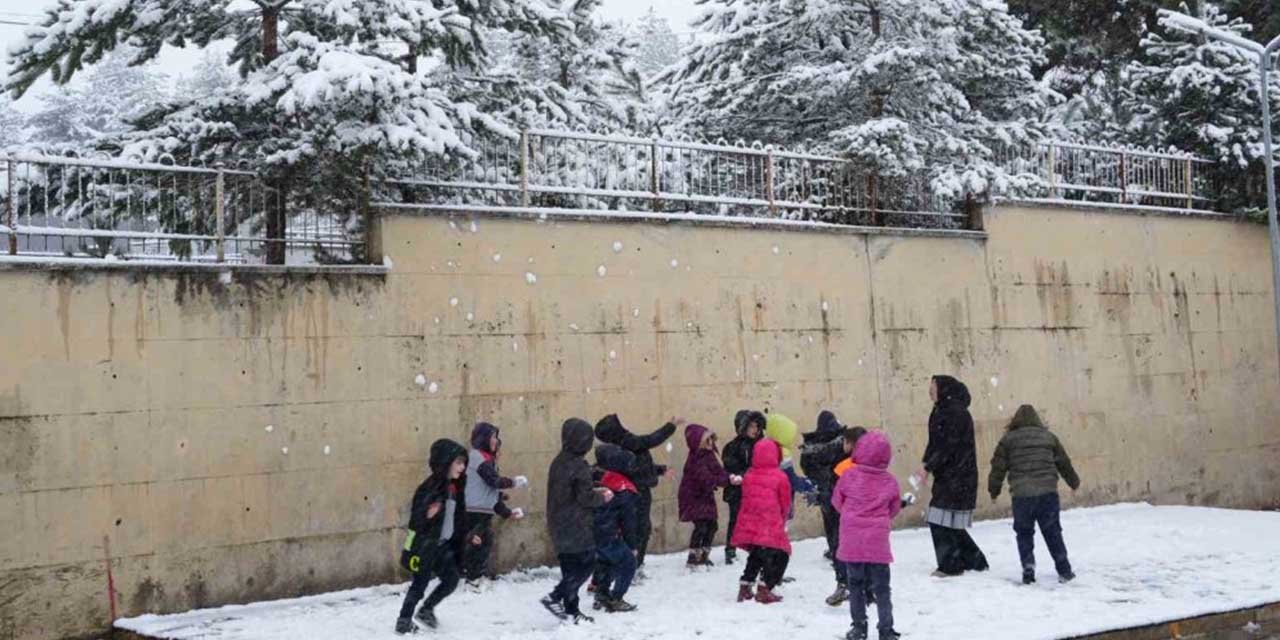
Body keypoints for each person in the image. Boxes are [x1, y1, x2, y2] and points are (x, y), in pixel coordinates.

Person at [396, 439, 482, 634]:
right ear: (445, 462)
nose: (462, 467)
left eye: (463, 462)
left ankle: (426, 610)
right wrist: (426, 515)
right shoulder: (428, 488)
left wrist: (468, 535)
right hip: (425, 545)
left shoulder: (455, 487)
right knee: (419, 585)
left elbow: (458, 518)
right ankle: (403, 620)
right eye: (458, 462)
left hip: (442, 546)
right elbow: (415, 522)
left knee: (451, 579)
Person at [988, 404, 1081, 584]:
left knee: (1024, 532)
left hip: (1022, 496)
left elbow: (997, 468)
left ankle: (1028, 566)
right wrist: (1074, 482)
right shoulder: (1048, 438)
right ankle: (1064, 569)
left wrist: (994, 491)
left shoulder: (1008, 441)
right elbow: (1064, 463)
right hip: (1047, 493)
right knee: (1053, 531)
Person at [833, 431, 904, 640]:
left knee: (855, 585)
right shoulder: (889, 481)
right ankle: (886, 629)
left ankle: (858, 628)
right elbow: (895, 507)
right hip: (877, 542)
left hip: (852, 540)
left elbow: (837, 501)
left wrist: (851, 515)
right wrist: (880, 519)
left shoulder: (848, 476)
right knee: (882, 588)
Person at [916, 375, 989, 577]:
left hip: (958, 475)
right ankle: (974, 560)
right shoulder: (940, 410)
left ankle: (951, 565)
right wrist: (925, 465)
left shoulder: (955, 413)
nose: (930, 390)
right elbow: (935, 443)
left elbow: (948, 445)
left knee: (938, 518)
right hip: (949, 474)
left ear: (944, 388)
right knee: (948, 520)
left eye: (933, 386)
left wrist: (929, 465)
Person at [543, 418, 614, 623]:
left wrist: (592, 491)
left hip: (558, 522)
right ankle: (555, 597)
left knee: (569, 567)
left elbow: (570, 492)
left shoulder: (559, 462)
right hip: (576, 524)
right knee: (586, 563)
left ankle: (571, 612)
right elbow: (585, 498)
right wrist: (602, 496)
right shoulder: (579, 465)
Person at [594, 414, 679, 576]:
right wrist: (671, 425)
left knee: (641, 530)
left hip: (638, 491)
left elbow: (641, 466)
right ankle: (629, 566)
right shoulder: (626, 442)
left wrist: (660, 470)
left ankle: (634, 564)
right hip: (634, 493)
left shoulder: (624, 444)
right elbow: (649, 441)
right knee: (636, 531)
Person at [463, 422, 528, 585]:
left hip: (481, 510)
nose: (496, 441)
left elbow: (491, 494)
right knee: (476, 543)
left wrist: (508, 512)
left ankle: (477, 574)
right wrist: (514, 482)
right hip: (474, 511)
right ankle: (472, 577)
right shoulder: (478, 457)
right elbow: (493, 481)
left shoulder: (485, 459)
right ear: (483, 438)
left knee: (485, 541)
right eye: (493, 437)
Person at [730, 438, 793, 604]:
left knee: (757, 553)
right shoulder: (780, 477)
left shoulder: (749, 475)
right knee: (781, 554)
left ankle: (745, 585)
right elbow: (785, 502)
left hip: (752, 523)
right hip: (770, 523)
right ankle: (765, 587)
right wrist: (783, 517)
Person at [800, 410, 852, 604]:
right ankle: (850, 581)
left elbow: (808, 468)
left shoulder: (812, 449)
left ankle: (843, 580)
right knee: (843, 537)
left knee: (834, 534)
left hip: (827, 496)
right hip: (842, 496)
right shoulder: (841, 444)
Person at [678, 423, 741, 567]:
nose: (711, 443)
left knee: (712, 525)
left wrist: (729, 477)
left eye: (711, 439)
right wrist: (727, 481)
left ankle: (704, 555)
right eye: (707, 440)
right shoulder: (695, 460)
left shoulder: (709, 455)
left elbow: (718, 471)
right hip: (693, 497)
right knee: (701, 526)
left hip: (705, 496)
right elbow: (706, 479)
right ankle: (693, 558)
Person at [592, 444, 643, 612]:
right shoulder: (624, 488)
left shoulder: (593, 477)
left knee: (605, 562)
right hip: (607, 533)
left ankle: (601, 594)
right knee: (628, 562)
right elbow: (628, 520)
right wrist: (632, 545)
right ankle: (616, 598)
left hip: (589, 531)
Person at [722, 410, 766, 564]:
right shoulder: (732, 447)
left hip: (758, 490)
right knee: (736, 520)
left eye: (757, 426)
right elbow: (730, 467)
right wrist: (742, 474)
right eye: (751, 426)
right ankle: (731, 549)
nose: (755, 430)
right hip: (738, 491)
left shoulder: (762, 445)